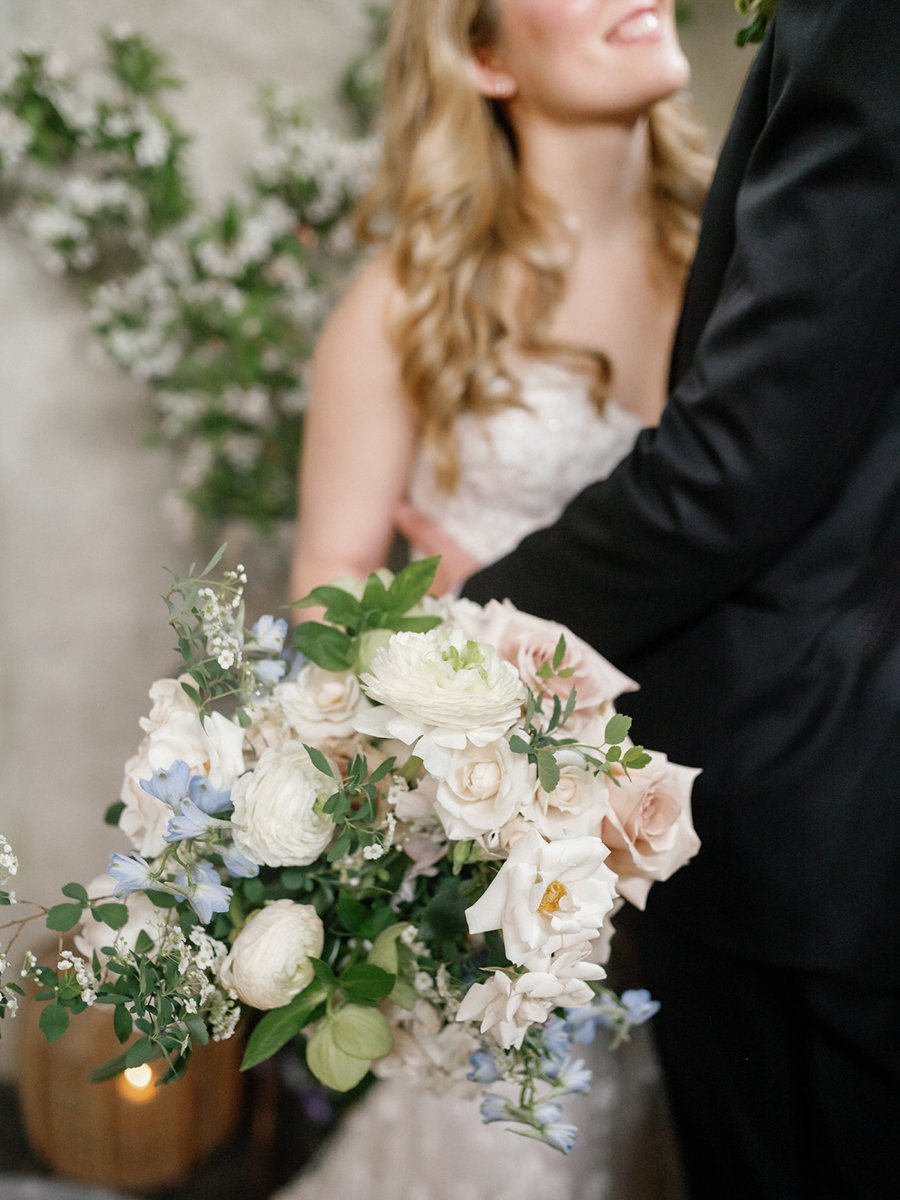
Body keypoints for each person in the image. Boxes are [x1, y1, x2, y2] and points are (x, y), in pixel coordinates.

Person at [401, 2, 900, 1197]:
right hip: (701, 822)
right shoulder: (420, 298)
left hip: (817, 797)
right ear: (481, 55)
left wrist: (465, 631)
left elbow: (738, 462)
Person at [285, 2, 710, 1197]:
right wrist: (469, 655)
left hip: (735, 842)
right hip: (508, 870)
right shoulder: (412, 299)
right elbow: (327, 597)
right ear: (483, 56)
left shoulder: (747, 262)